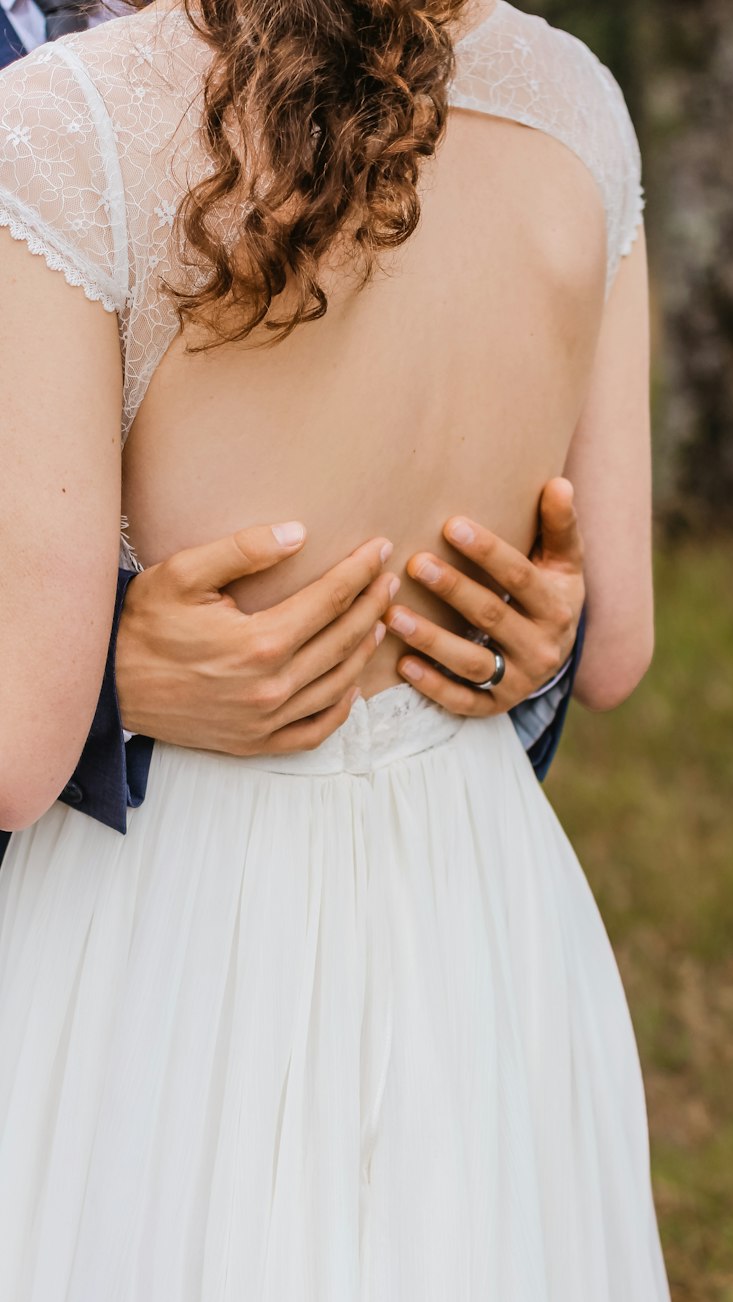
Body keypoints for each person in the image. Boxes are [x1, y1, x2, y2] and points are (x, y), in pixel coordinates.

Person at [0, 2, 693, 1302]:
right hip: (480, 893)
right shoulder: (576, 104)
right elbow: (614, 638)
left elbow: (17, 740)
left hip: (171, 925)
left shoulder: (69, 127)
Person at [0, 0, 589, 868]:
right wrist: (98, 682)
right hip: (463, 863)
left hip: (192, 878)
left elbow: (583, 605)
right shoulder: (573, 102)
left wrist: (532, 649)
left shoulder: (501, 74)